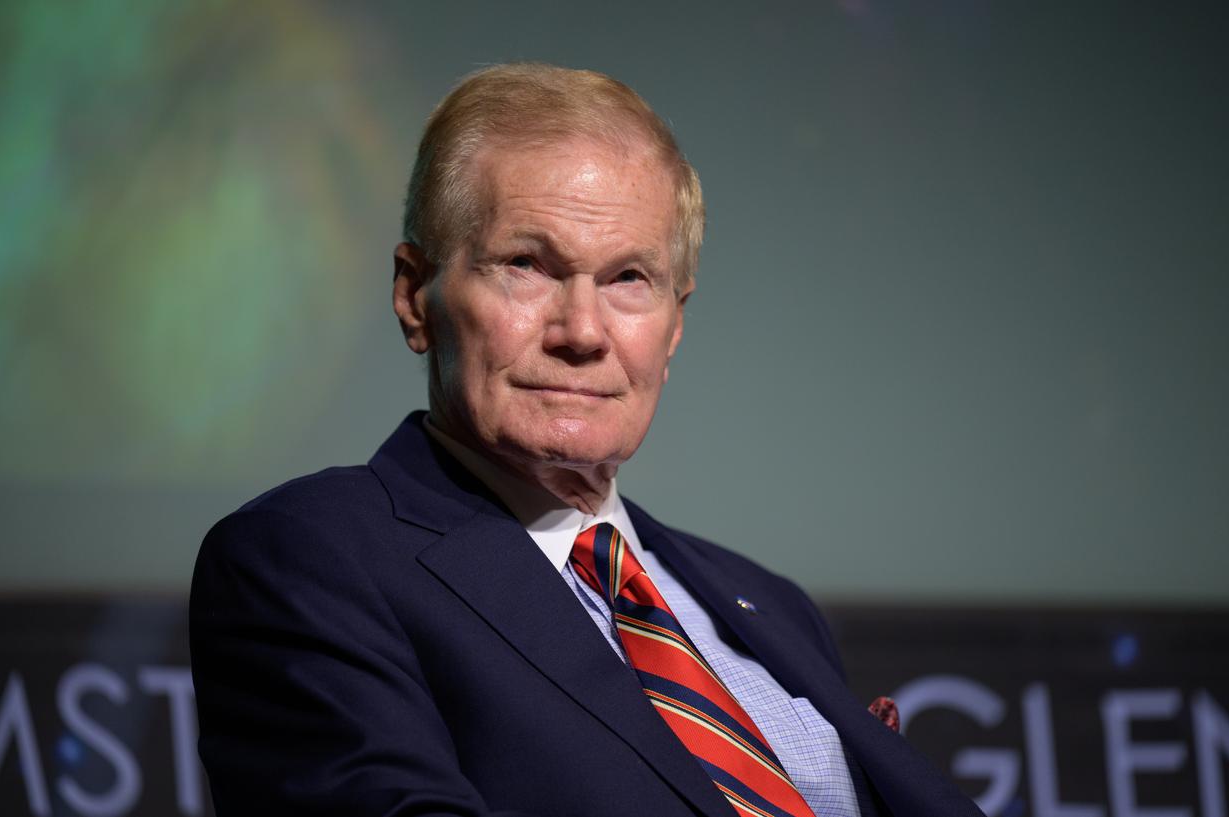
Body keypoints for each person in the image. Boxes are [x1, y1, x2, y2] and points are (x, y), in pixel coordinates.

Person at [189, 63, 981, 817]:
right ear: (415, 297)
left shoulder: (769, 603)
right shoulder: (310, 558)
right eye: (527, 265)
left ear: (673, 328)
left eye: (629, 279)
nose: (583, 333)